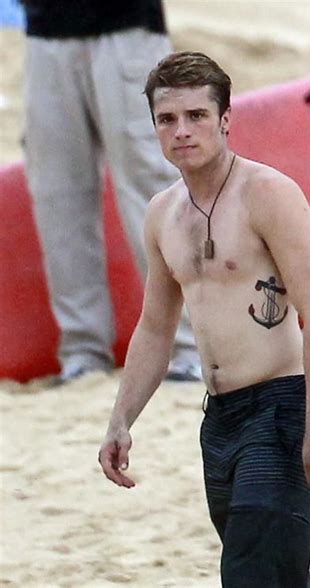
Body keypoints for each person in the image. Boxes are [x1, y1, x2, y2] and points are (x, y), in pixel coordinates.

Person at [99, 51, 310, 587]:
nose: (181, 131)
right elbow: (155, 327)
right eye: (167, 119)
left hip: (280, 411)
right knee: (273, 575)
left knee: (250, 574)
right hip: (219, 420)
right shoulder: (162, 213)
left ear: (226, 119)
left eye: (197, 116)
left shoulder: (268, 194)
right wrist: (121, 420)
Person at [21, 0, 201, 383]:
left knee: (153, 188)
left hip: (128, 29)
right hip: (45, 31)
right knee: (57, 194)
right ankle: (82, 353)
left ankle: (191, 346)